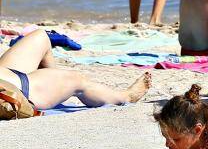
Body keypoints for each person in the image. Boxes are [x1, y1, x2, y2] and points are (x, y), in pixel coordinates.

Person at [0, 30, 151, 110]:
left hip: (8, 75)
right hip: (16, 92)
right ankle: (125, 97)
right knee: (77, 80)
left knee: (41, 37)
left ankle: (55, 89)